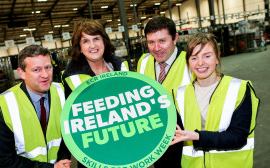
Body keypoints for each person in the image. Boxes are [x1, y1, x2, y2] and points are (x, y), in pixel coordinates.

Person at [171, 33, 259, 168]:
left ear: (217, 58)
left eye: (207, 56)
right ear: (188, 62)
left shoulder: (239, 89)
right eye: (194, 58)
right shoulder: (179, 95)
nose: (200, 63)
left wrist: (198, 136)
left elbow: (238, 137)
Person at [0, 45, 71, 168]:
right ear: (22, 73)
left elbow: (67, 133)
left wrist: (63, 158)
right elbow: (4, 161)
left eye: (48, 67)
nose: (45, 75)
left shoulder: (62, 92)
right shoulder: (2, 105)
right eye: (36, 70)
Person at [61, 19, 129, 168]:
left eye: (96, 39)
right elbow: (69, 120)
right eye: (85, 41)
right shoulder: (71, 78)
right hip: (95, 154)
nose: (92, 45)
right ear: (79, 47)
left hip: (127, 146)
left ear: (104, 41)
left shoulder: (120, 67)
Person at [137, 16, 192, 168]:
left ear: (175, 39)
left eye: (162, 41)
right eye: (151, 42)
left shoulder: (191, 63)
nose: (156, 48)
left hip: (185, 141)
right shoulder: (144, 61)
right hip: (157, 140)